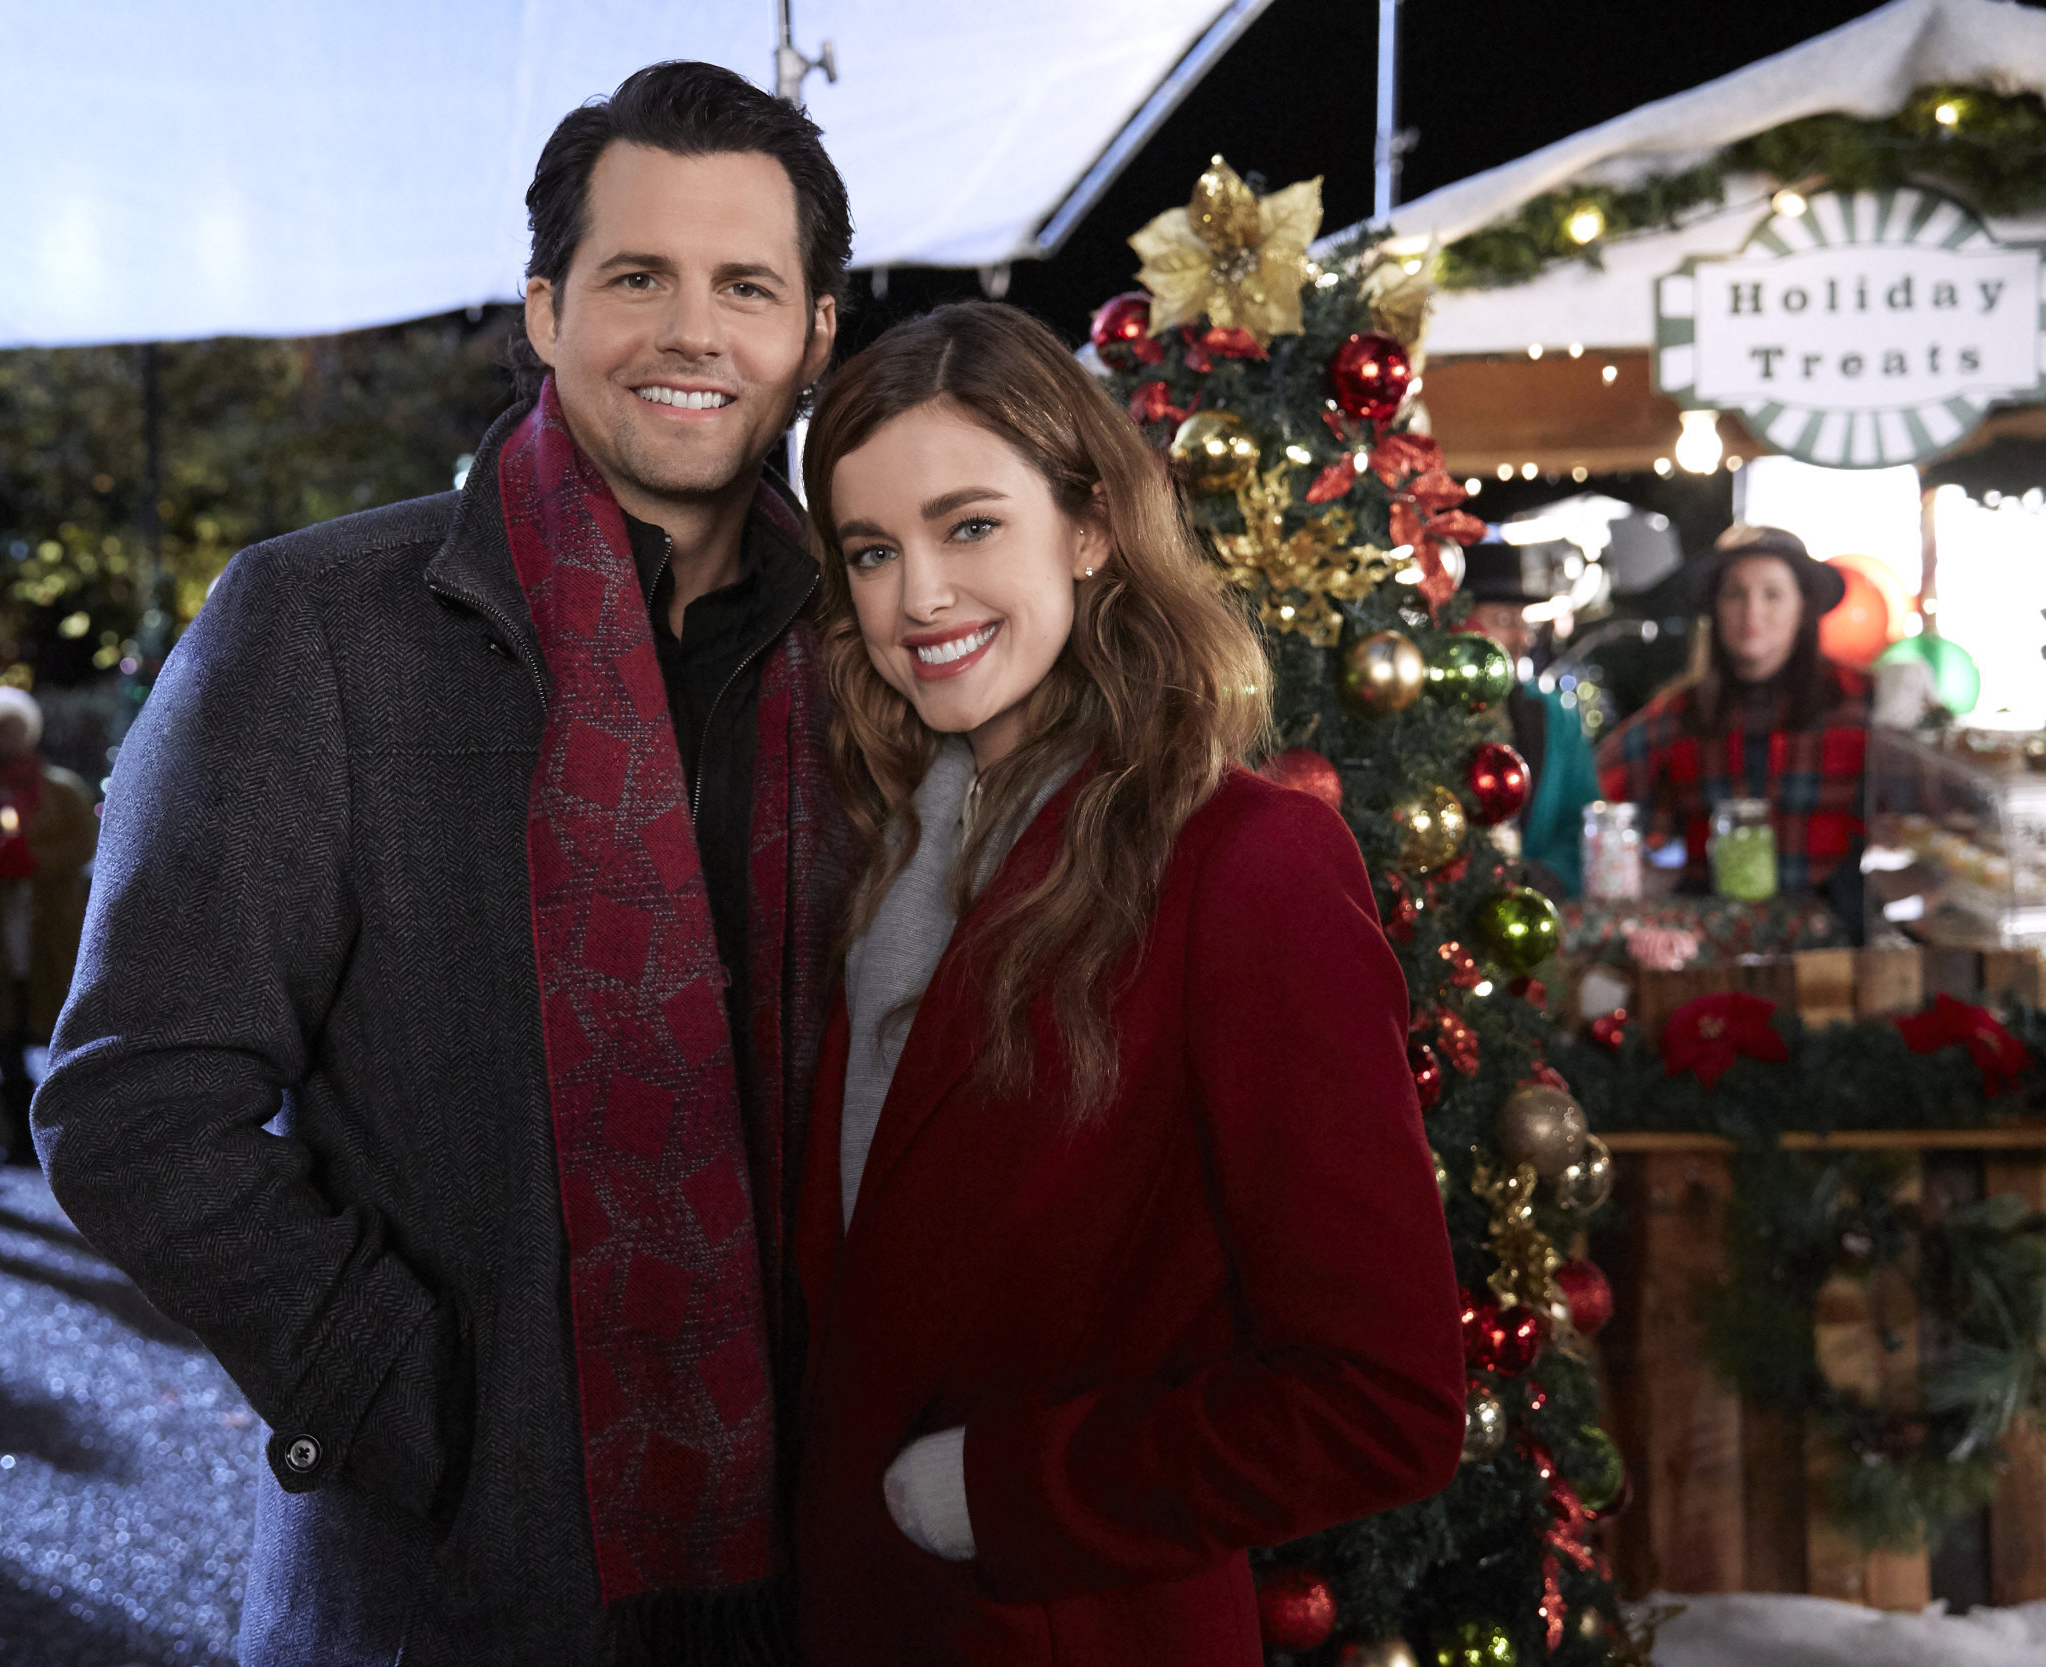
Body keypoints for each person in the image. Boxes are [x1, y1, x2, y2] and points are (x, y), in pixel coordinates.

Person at [36, 62, 849, 1664]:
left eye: (746, 286)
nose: (695, 330)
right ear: (544, 311)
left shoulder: (871, 650)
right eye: (637, 278)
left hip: (828, 1560)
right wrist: (419, 1402)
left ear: (815, 333)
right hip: (459, 1582)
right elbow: (133, 1102)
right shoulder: (320, 623)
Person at [788, 303, 1465, 1663]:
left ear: (1090, 528)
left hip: (1078, 1626)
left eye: (969, 526)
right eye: (873, 549)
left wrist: (995, 1491)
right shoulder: (863, 851)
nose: (917, 595)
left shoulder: (1247, 862)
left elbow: (1384, 1400)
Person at [1596, 524, 1869, 930]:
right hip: (1710, 944)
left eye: (1772, 594)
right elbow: (1593, 798)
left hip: (1831, 945)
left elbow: (1943, 818)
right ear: (1714, 608)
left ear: (1802, 607)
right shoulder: (1678, 715)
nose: (1751, 612)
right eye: (1734, 593)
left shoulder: (1860, 705)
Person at [0, 686, 96, 1166]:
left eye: (16, 728)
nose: (9, 738)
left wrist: (35, 860)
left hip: (51, 931)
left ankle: (70, 1133)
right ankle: (19, 1133)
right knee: (4, 1035)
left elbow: (85, 844)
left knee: (62, 1030)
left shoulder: (62, 789)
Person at [1464, 542, 1600, 895]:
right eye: (1506, 621)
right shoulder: (1420, 718)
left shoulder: (1556, 716)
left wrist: (1546, 876)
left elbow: (1583, 821)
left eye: (1524, 623)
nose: (1522, 638)